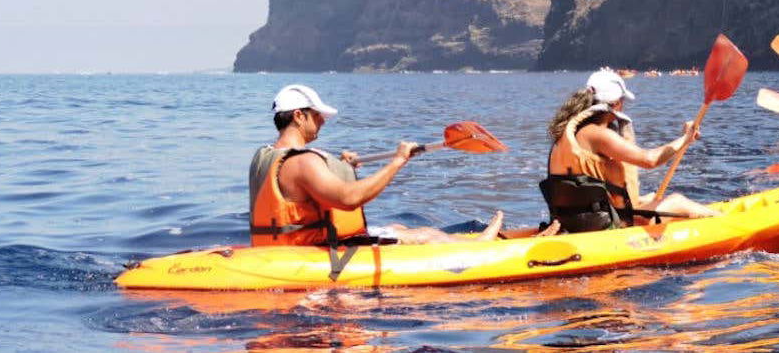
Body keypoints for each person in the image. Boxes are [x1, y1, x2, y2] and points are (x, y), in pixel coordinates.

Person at [248, 84, 504, 253]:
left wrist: (341, 167)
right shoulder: (303, 162)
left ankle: (459, 242)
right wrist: (398, 161)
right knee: (426, 234)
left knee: (398, 228)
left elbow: (303, 190)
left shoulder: (267, 155)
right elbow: (349, 199)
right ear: (298, 116)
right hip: (311, 252)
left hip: (280, 248)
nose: (322, 121)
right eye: (317, 115)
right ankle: (479, 247)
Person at [541, 69, 719, 233]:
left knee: (650, 198)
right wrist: (685, 138)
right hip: (605, 228)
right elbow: (650, 160)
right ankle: (725, 223)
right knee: (677, 201)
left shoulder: (565, 134)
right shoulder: (598, 134)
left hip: (572, 224)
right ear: (616, 103)